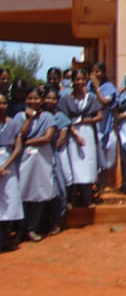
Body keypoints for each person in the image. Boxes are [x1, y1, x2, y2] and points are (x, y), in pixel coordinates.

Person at [16, 87, 57, 242]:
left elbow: (47, 137)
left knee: (39, 193)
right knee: (23, 192)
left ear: (41, 100)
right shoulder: (19, 117)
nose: (33, 101)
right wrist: (28, 119)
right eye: (30, 98)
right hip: (24, 159)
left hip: (41, 159)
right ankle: (21, 229)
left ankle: (33, 228)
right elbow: (20, 134)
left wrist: (27, 142)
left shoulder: (48, 117)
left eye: (36, 98)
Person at [58, 69, 102, 208]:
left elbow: (99, 116)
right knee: (74, 166)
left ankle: (87, 199)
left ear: (86, 80)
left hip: (88, 134)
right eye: (77, 79)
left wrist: (85, 121)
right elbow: (64, 119)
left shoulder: (91, 98)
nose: (80, 82)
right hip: (72, 135)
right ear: (72, 81)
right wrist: (75, 134)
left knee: (88, 166)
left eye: (82, 79)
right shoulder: (66, 99)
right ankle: (72, 200)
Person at [40, 87, 69, 235]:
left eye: (53, 98)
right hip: (38, 157)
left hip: (54, 155)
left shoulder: (61, 117)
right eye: (47, 98)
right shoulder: (40, 115)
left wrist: (50, 150)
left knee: (59, 190)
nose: (50, 101)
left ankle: (56, 222)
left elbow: (62, 137)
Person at [0, 93, 24, 252]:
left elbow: (18, 146)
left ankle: (6, 238)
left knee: (10, 199)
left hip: (8, 163)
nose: (0, 106)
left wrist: (5, 166)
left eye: (2, 103)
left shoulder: (14, 123)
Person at [90, 62, 118, 193]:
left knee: (108, 156)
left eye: (98, 71)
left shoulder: (108, 87)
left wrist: (96, 88)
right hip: (92, 126)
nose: (96, 74)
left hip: (105, 126)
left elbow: (105, 101)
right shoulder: (86, 87)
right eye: (93, 71)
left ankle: (106, 184)